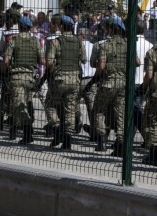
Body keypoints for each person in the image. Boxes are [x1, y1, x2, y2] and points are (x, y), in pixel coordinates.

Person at [91, 17, 137, 155]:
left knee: (99, 110)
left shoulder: (105, 45)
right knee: (121, 114)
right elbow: (137, 62)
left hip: (109, 82)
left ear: (111, 29)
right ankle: (121, 143)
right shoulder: (129, 44)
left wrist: (100, 71)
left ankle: (102, 140)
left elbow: (101, 66)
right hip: (124, 84)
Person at [45, 15, 86, 150]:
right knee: (70, 109)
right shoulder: (79, 41)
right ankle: (68, 140)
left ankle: (56, 128)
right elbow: (84, 59)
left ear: (61, 26)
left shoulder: (56, 42)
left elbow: (49, 62)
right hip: (75, 80)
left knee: (50, 103)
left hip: (60, 79)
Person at [3, 15, 43, 144]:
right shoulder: (35, 41)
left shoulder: (14, 41)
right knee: (25, 103)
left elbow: (6, 60)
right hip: (30, 77)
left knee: (18, 106)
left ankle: (27, 132)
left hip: (17, 77)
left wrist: (5, 72)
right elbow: (42, 60)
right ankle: (17, 129)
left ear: (19, 27)